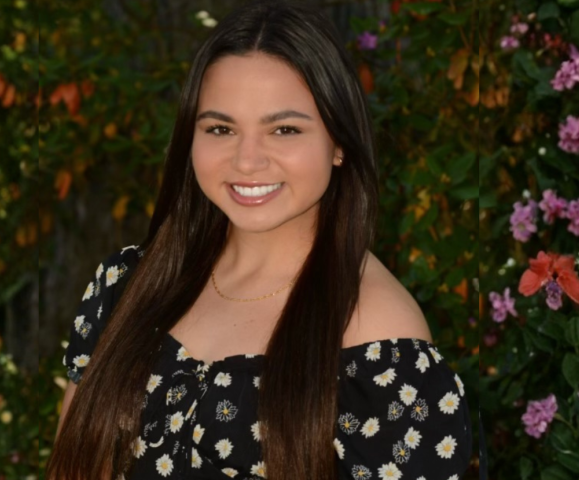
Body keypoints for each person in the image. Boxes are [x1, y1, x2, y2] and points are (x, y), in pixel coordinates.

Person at [46, 1, 473, 479]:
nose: (247, 161)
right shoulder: (127, 285)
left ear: (339, 143)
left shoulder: (378, 343)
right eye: (221, 128)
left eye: (284, 129)